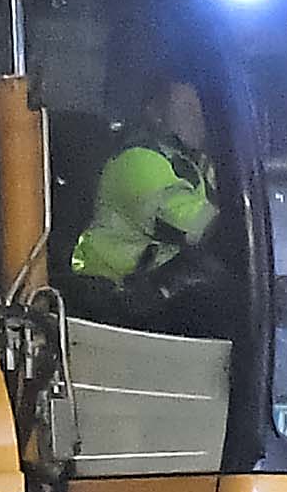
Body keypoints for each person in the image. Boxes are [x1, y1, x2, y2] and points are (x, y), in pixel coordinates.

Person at [68, 80, 219, 316]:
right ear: (154, 113)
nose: (199, 116)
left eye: (202, 106)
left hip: (152, 293)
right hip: (114, 304)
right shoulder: (138, 160)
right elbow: (204, 229)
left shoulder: (190, 160)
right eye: (187, 107)